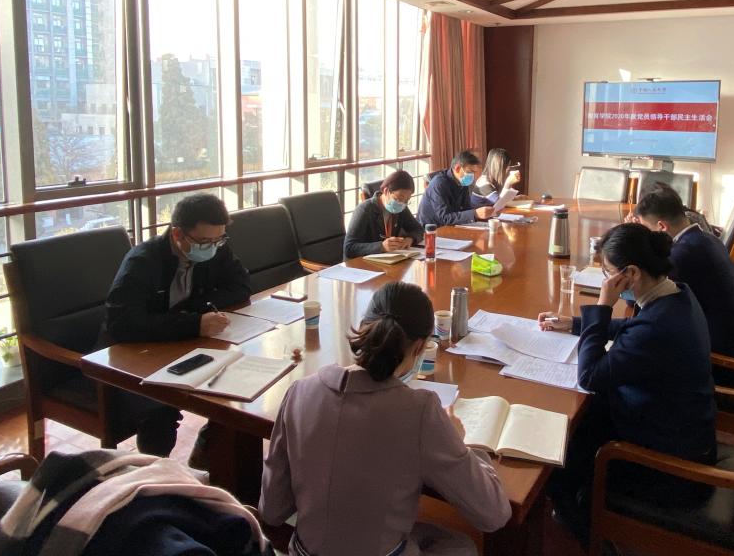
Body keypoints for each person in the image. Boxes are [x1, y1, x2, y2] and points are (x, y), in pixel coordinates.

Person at [260, 282, 511, 556]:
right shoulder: (419, 410)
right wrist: (464, 445)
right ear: (419, 347)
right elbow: (493, 514)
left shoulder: (300, 391)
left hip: (302, 551)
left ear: (364, 326)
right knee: (462, 546)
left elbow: (271, 510)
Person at [538, 223, 715, 542]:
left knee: (558, 464)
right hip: (676, 430)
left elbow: (590, 376)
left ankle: (589, 534)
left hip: (668, 467)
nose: (605, 281)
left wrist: (602, 307)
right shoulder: (676, 295)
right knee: (576, 427)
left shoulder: (657, 328)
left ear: (631, 273)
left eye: (607, 273)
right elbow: (634, 328)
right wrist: (577, 324)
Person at [102, 193, 251, 459]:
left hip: (184, 343)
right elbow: (122, 324)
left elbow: (241, 285)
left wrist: (197, 309)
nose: (212, 247)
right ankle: (156, 472)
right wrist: (193, 323)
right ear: (177, 234)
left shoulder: (215, 246)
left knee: (238, 382)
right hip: (133, 355)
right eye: (204, 242)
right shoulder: (143, 261)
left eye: (219, 239)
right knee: (160, 409)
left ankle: (208, 456)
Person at [634, 190, 734, 386]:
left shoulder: (683, 255)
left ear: (662, 226)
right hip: (733, 340)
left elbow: (644, 298)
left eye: (645, 228)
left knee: (633, 360)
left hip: (717, 361)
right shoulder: (706, 238)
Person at [344, 170, 425, 259]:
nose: (402, 203)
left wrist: (410, 239)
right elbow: (349, 248)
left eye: (407, 200)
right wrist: (381, 246)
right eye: (399, 198)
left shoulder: (401, 206)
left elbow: (418, 229)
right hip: (363, 263)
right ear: (386, 191)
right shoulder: (365, 209)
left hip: (390, 260)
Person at [417, 150, 495, 226]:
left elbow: (466, 208)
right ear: (457, 168)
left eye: (474, 172)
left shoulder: (462, 182)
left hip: (451, 225)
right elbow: (444, 217)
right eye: (470, 172)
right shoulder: (439, 183)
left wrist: (481, 213)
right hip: (432, 228)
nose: (473, 176)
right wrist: (475, 213)